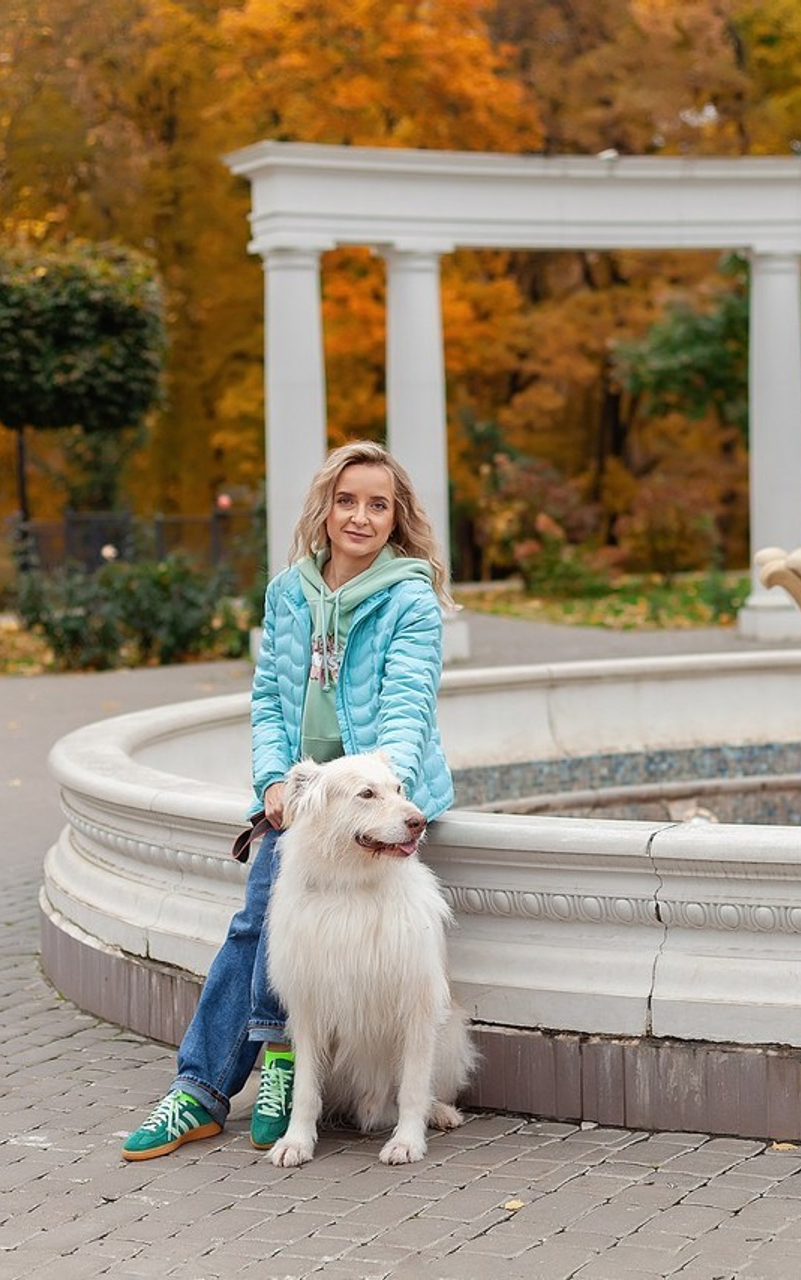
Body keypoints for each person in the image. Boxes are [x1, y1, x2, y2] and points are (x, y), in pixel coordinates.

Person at [122, 440, 455, 1160]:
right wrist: (276, 783)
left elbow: (408, 707)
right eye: (346, 500)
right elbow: (269, 701)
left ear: (396, 518)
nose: (359, 516)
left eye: (377, 504)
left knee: (272, 913)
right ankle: (207, 1090)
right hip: (305, 796)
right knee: (261, 921)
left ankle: (259, 1069)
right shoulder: (288, 593)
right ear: (324, 508)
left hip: (373, 802)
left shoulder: (410, 597)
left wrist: (367, 793)